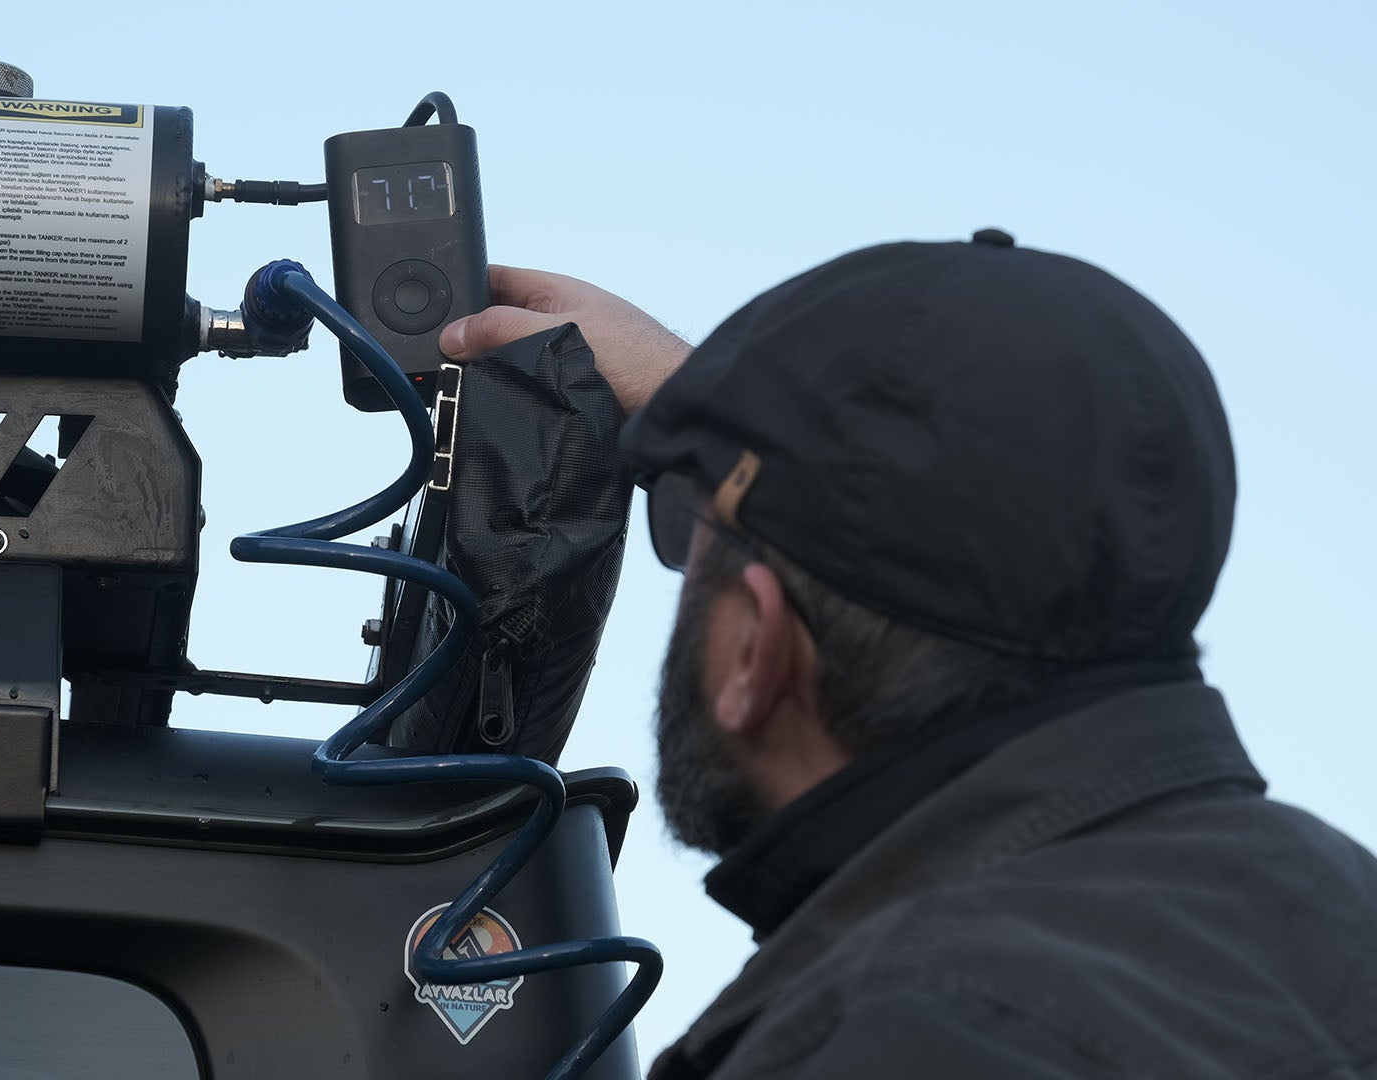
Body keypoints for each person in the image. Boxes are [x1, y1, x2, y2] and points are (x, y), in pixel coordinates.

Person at [440, 230, 1377, 1079]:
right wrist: (706, 409)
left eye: (689, 538)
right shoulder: (1335, 905)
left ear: (756, 647)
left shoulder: (895, 1033)